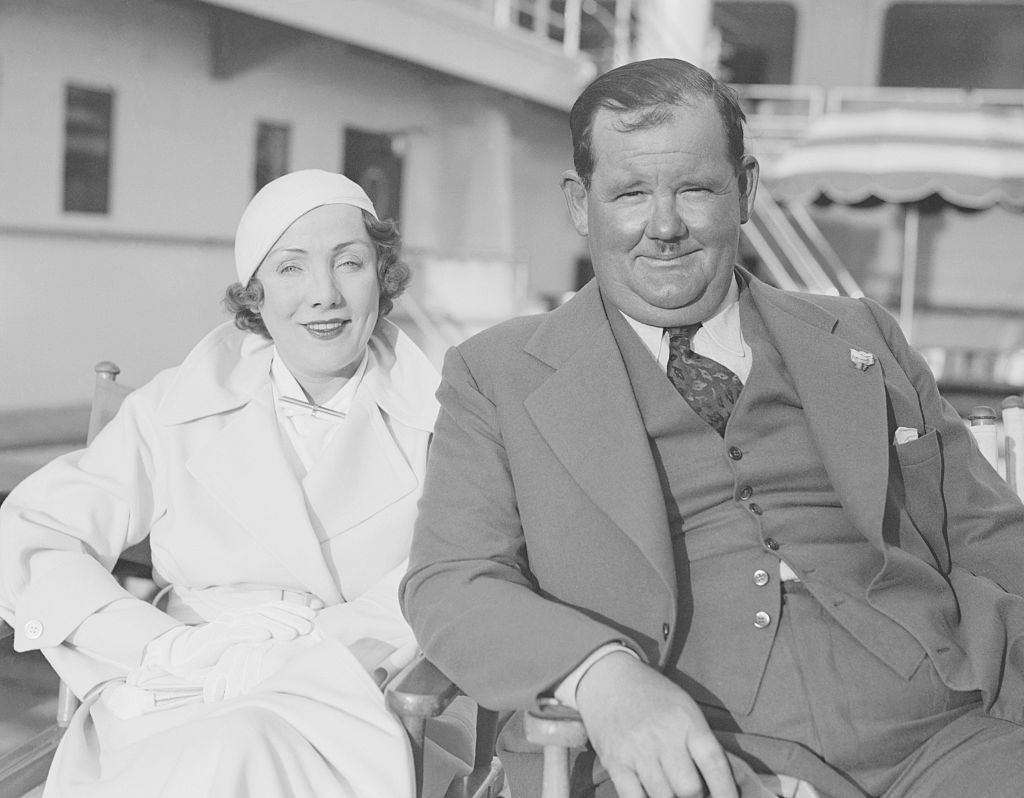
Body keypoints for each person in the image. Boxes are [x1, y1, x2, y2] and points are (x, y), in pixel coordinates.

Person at [401, 58, 1024, 798]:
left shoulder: (859, 335)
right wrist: (603, 679)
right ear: (580, 203)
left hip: (945, 728)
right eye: (630, 193)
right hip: (691, 753)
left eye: (694, 189)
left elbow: (991, 536)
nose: (663, 228)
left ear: (745, 193)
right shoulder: (496, 373)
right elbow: (451, 580)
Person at [0, 169, 466, 797]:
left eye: (349, 263)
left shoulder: (447, 420)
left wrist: (296, 655)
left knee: (239, 746)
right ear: (255, 294)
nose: (323, 294)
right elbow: (29, 533)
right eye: (290, 268)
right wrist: (155, 648)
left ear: (382, 282)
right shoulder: (173, 407)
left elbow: (445, 576)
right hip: (176, 691)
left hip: (353, 694)